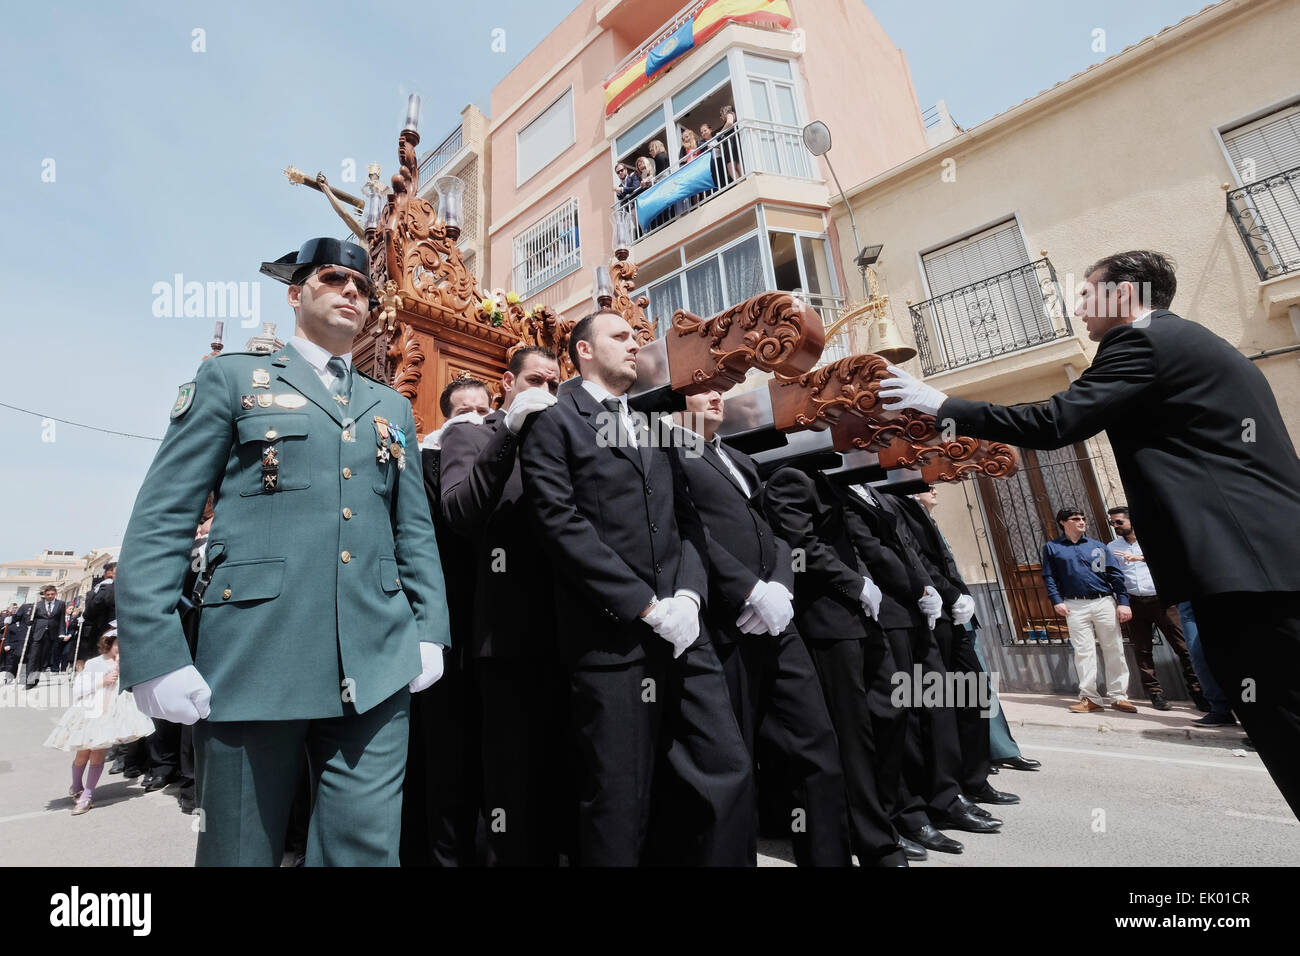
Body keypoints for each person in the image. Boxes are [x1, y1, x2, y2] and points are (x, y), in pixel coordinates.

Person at [880, 249, 1300, 817]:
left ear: (1123, 295)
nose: (1079, 307)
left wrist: (941, 405)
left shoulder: (1141, 341)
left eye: (1088, 293)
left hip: (1244, 572)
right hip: (1268, 563)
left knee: (1284, 725)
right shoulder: (1198, 343)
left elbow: (1056, 421)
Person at [117, 237, 451, 866]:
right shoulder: (234, 378)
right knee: (240, 846)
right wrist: (155, 650)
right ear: (297, 294)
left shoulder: (391, 407)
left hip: (376, 655)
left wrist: (429, 628)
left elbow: (414, 529)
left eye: (363, 286)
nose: (352, 291)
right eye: (333, 279)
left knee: (365, 851)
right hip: (254, 650)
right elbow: (165, 516)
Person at [519, 310, 753, 866]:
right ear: (583, 352)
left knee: (725, 766)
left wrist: (690, 598)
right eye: (620, 337)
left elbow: (687, 525)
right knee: (619, 797)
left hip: (682, 631)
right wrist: (645, 606)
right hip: (611, 638)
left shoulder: (654, 425)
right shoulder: (556, 420)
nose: (635, 345)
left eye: (637, 337)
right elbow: (560, 524)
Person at [670, 390, 851, 867]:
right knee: (732, 758)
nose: (715, 394)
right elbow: (687, 531)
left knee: (815, 741)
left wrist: (781, 589)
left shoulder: (736, 457)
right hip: (722, 622)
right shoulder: (664, 448)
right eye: (701, 385)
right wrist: (747, 590)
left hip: (776, 619)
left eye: (720, 388)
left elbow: (772, 530)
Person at [441, 346, 570, 866]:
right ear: (507, 383)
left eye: (555, 384)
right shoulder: (473, 432)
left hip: (573, 627)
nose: (546, 391)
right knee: (511, 784)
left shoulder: (569, 432)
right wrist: (508, 433)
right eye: (535, 379)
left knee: (564, 772)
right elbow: (460, 510)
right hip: (510, 633)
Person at [761, 463, 914, 865]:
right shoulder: (792, 476)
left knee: (889, 713)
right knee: (853, 735)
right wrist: (854, 582)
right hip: (828, 618)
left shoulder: (832, 478)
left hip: (862, 616)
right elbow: (799, 544)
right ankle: (874, 842)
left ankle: (879, 821)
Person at [402, 375, 491, 867]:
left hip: (496, 630)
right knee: (443, 757)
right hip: (444, 630)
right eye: (463, 412)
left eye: (484, 408)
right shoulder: (424, 462)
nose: (475, 418)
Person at [888, 484, 1017, 807]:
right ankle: (947, 789)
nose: (934, 487)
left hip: (954, 612)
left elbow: (944, 558)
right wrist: (949, 593)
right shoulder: (893, 501)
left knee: (973, 695)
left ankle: (975, 778)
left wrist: (962, 594)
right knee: (939, 705)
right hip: (931, 611)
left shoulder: (918, 508)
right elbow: (915, 560)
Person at [44, 629, 155, 815]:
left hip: (111, 714)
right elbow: (79, 689)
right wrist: (102, 681)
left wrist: (120, 668)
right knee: (83, 754)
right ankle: (77, 786)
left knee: (98, 754)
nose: (121, 649)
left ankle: (87, 795)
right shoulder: (95, 663)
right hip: (90, 712)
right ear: (109, 642)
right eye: (118, 644)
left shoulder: (127, 664)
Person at [1106, 506, 1204, 711]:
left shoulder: (1152, 541)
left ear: (1130, 521)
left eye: (1118, 522)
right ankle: (1155, 694)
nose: (1115, 526)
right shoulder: (1112, 547)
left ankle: (1198, 691)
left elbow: (1171, 562)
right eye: (1112, 523)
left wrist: (1140, 558)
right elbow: (1113, 576)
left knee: (1184, 647)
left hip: (1162, 601)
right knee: (1142, 650)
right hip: (1134, 602)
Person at [1037, 508, 1134, 713]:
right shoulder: (1053, 548)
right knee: (1083, 651)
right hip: (1074, 605)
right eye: (1075, 519)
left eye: (1083, 518)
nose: (1081, 522)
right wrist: (1056, 600)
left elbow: (1115, 575)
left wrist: (1123, 601)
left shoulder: (1098, 546)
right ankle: (1090, 698)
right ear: (1063, 523)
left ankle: (1118, 697)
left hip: (1103, 602)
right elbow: (1049, 576)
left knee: (1114, 648)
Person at [23, 585, 65, 689]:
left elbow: (61, 619)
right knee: (33, 657)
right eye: (48, 594)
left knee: (43, 659)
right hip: (38, 633)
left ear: (55, 594)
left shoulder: (61, 604)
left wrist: (62, 632)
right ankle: (29, 681)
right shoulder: (38, 604)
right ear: (44, 595)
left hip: (51, 634)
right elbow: (30, 618)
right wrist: (30, 620)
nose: (50, 596)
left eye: (52, 594)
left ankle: (35, 678)